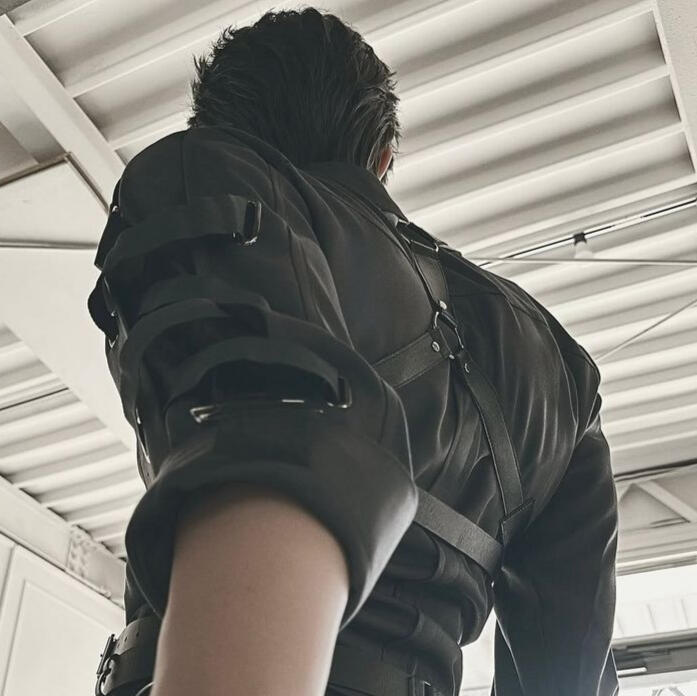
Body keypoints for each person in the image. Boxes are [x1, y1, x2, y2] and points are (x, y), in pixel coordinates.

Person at [88, 7, 619, 696]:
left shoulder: (210, 176)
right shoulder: (563, 371)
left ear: (221, 131)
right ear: (383, 157)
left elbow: (276, 444)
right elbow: (569, 668)